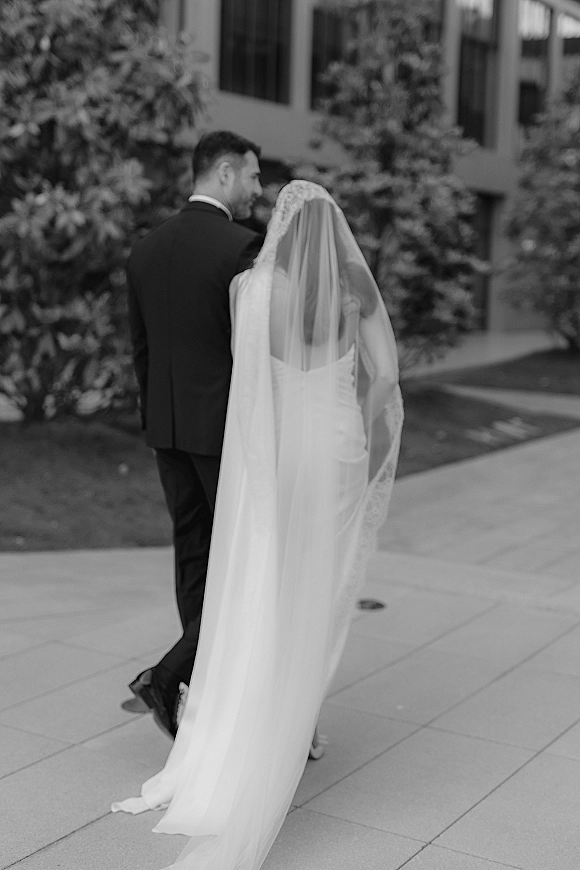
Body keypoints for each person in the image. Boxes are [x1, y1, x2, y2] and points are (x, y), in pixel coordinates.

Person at [113, 181, 404, 870]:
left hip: (277, 458)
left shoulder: (252, 288)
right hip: (333, 448)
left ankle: (253, 726)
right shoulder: (352, 292)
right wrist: (361, 441)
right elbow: (384, 380)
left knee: (264, 590)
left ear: (277, 230)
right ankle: (295, 725)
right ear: (332, 234)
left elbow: (248, 391)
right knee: (313, 593)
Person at [124, 131, 263, 738]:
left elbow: (142, 352)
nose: (259, 190)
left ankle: (189, 688)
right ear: (226, 173)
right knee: (245, 563)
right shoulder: (243, 248)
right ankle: (171, 673)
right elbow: (255, 353)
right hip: (225, 430)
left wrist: (158, 419)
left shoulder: (145, 250)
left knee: (194, 556)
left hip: (168, 427)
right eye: (254, 178)